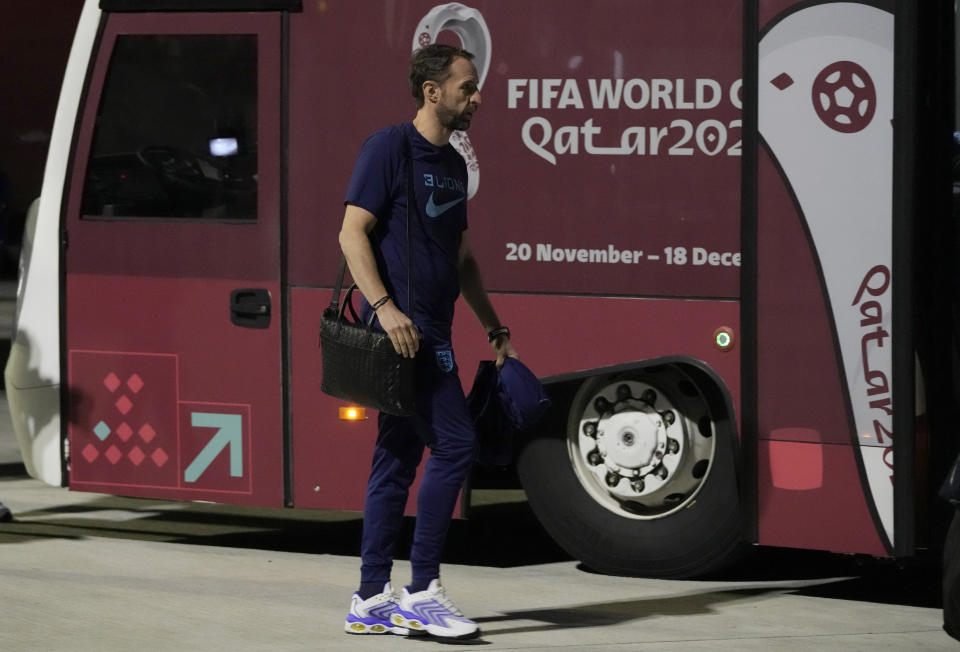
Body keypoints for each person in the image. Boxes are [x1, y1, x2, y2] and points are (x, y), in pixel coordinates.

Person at [339, 43, 516, 640]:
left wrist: (492, 323)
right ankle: (421, 592)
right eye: (466, 87)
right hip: (403, 334)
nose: (477, 97)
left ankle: (369, 598)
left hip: (436, 330)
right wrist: (384, 309)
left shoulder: (455, 164)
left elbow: (461, 259)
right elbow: (351, 232)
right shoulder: (388, 148)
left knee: (396, 458)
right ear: (432, 91)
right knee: (456, 445)